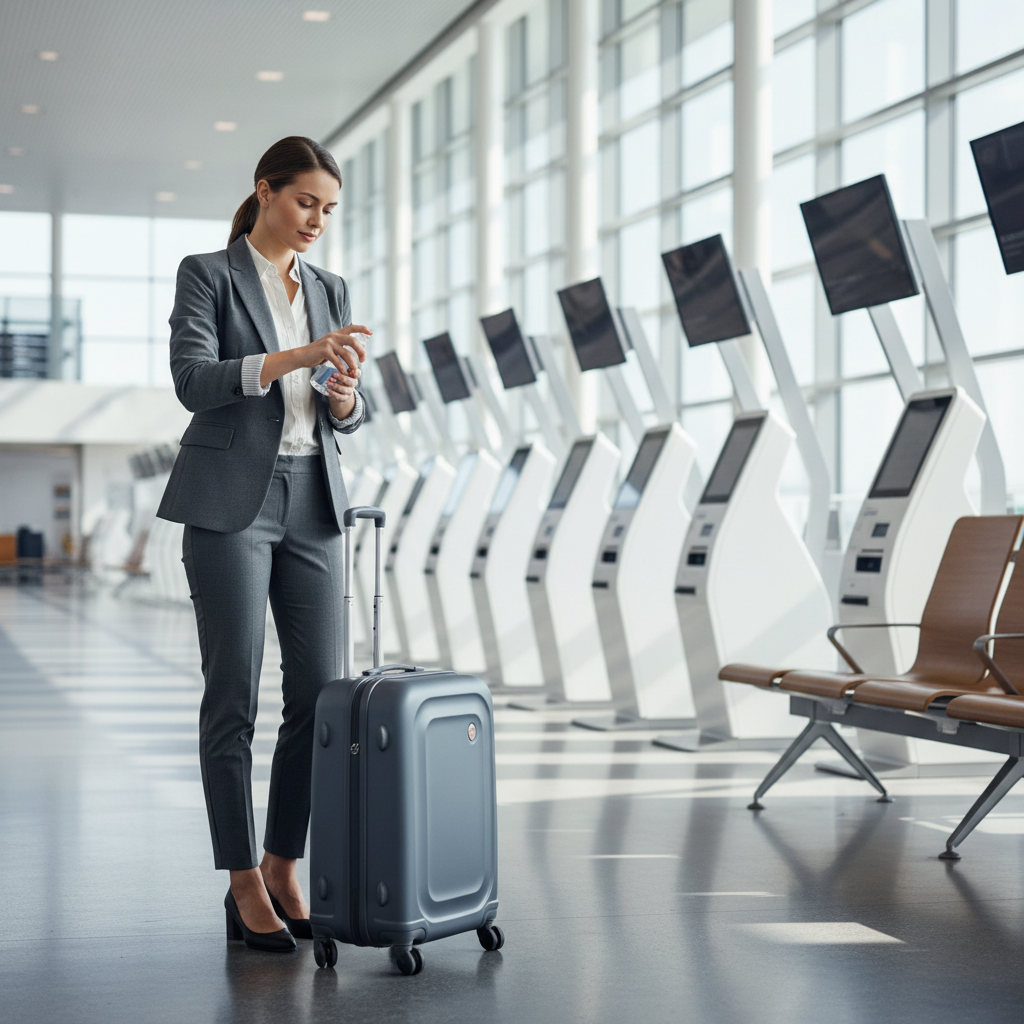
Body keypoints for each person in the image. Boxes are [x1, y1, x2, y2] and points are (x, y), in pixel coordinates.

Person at [157, 136, 370, 952]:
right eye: (306, 201)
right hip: (230, 504)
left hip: (314, 497)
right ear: (266, 191)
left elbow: (344, 412)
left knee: (319, 698)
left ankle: (283, 863)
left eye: (329, 208)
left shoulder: (329, 287)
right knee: (233, 699)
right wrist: (301, 355)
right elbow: (193, 381)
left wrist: (342, 395)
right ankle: (242, 878)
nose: (317, 219)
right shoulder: (208, 274)